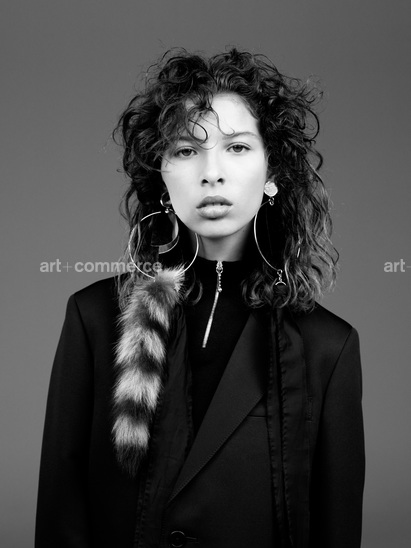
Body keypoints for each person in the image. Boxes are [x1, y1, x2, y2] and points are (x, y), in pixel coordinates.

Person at [35, 48, 365, 548]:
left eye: (237, 147)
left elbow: (334, 523)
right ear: (162, 177)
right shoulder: (96, 316)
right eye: (187, 150)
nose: (212, 173)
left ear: (272, 173)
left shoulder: (327, 346)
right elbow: (62, 503)